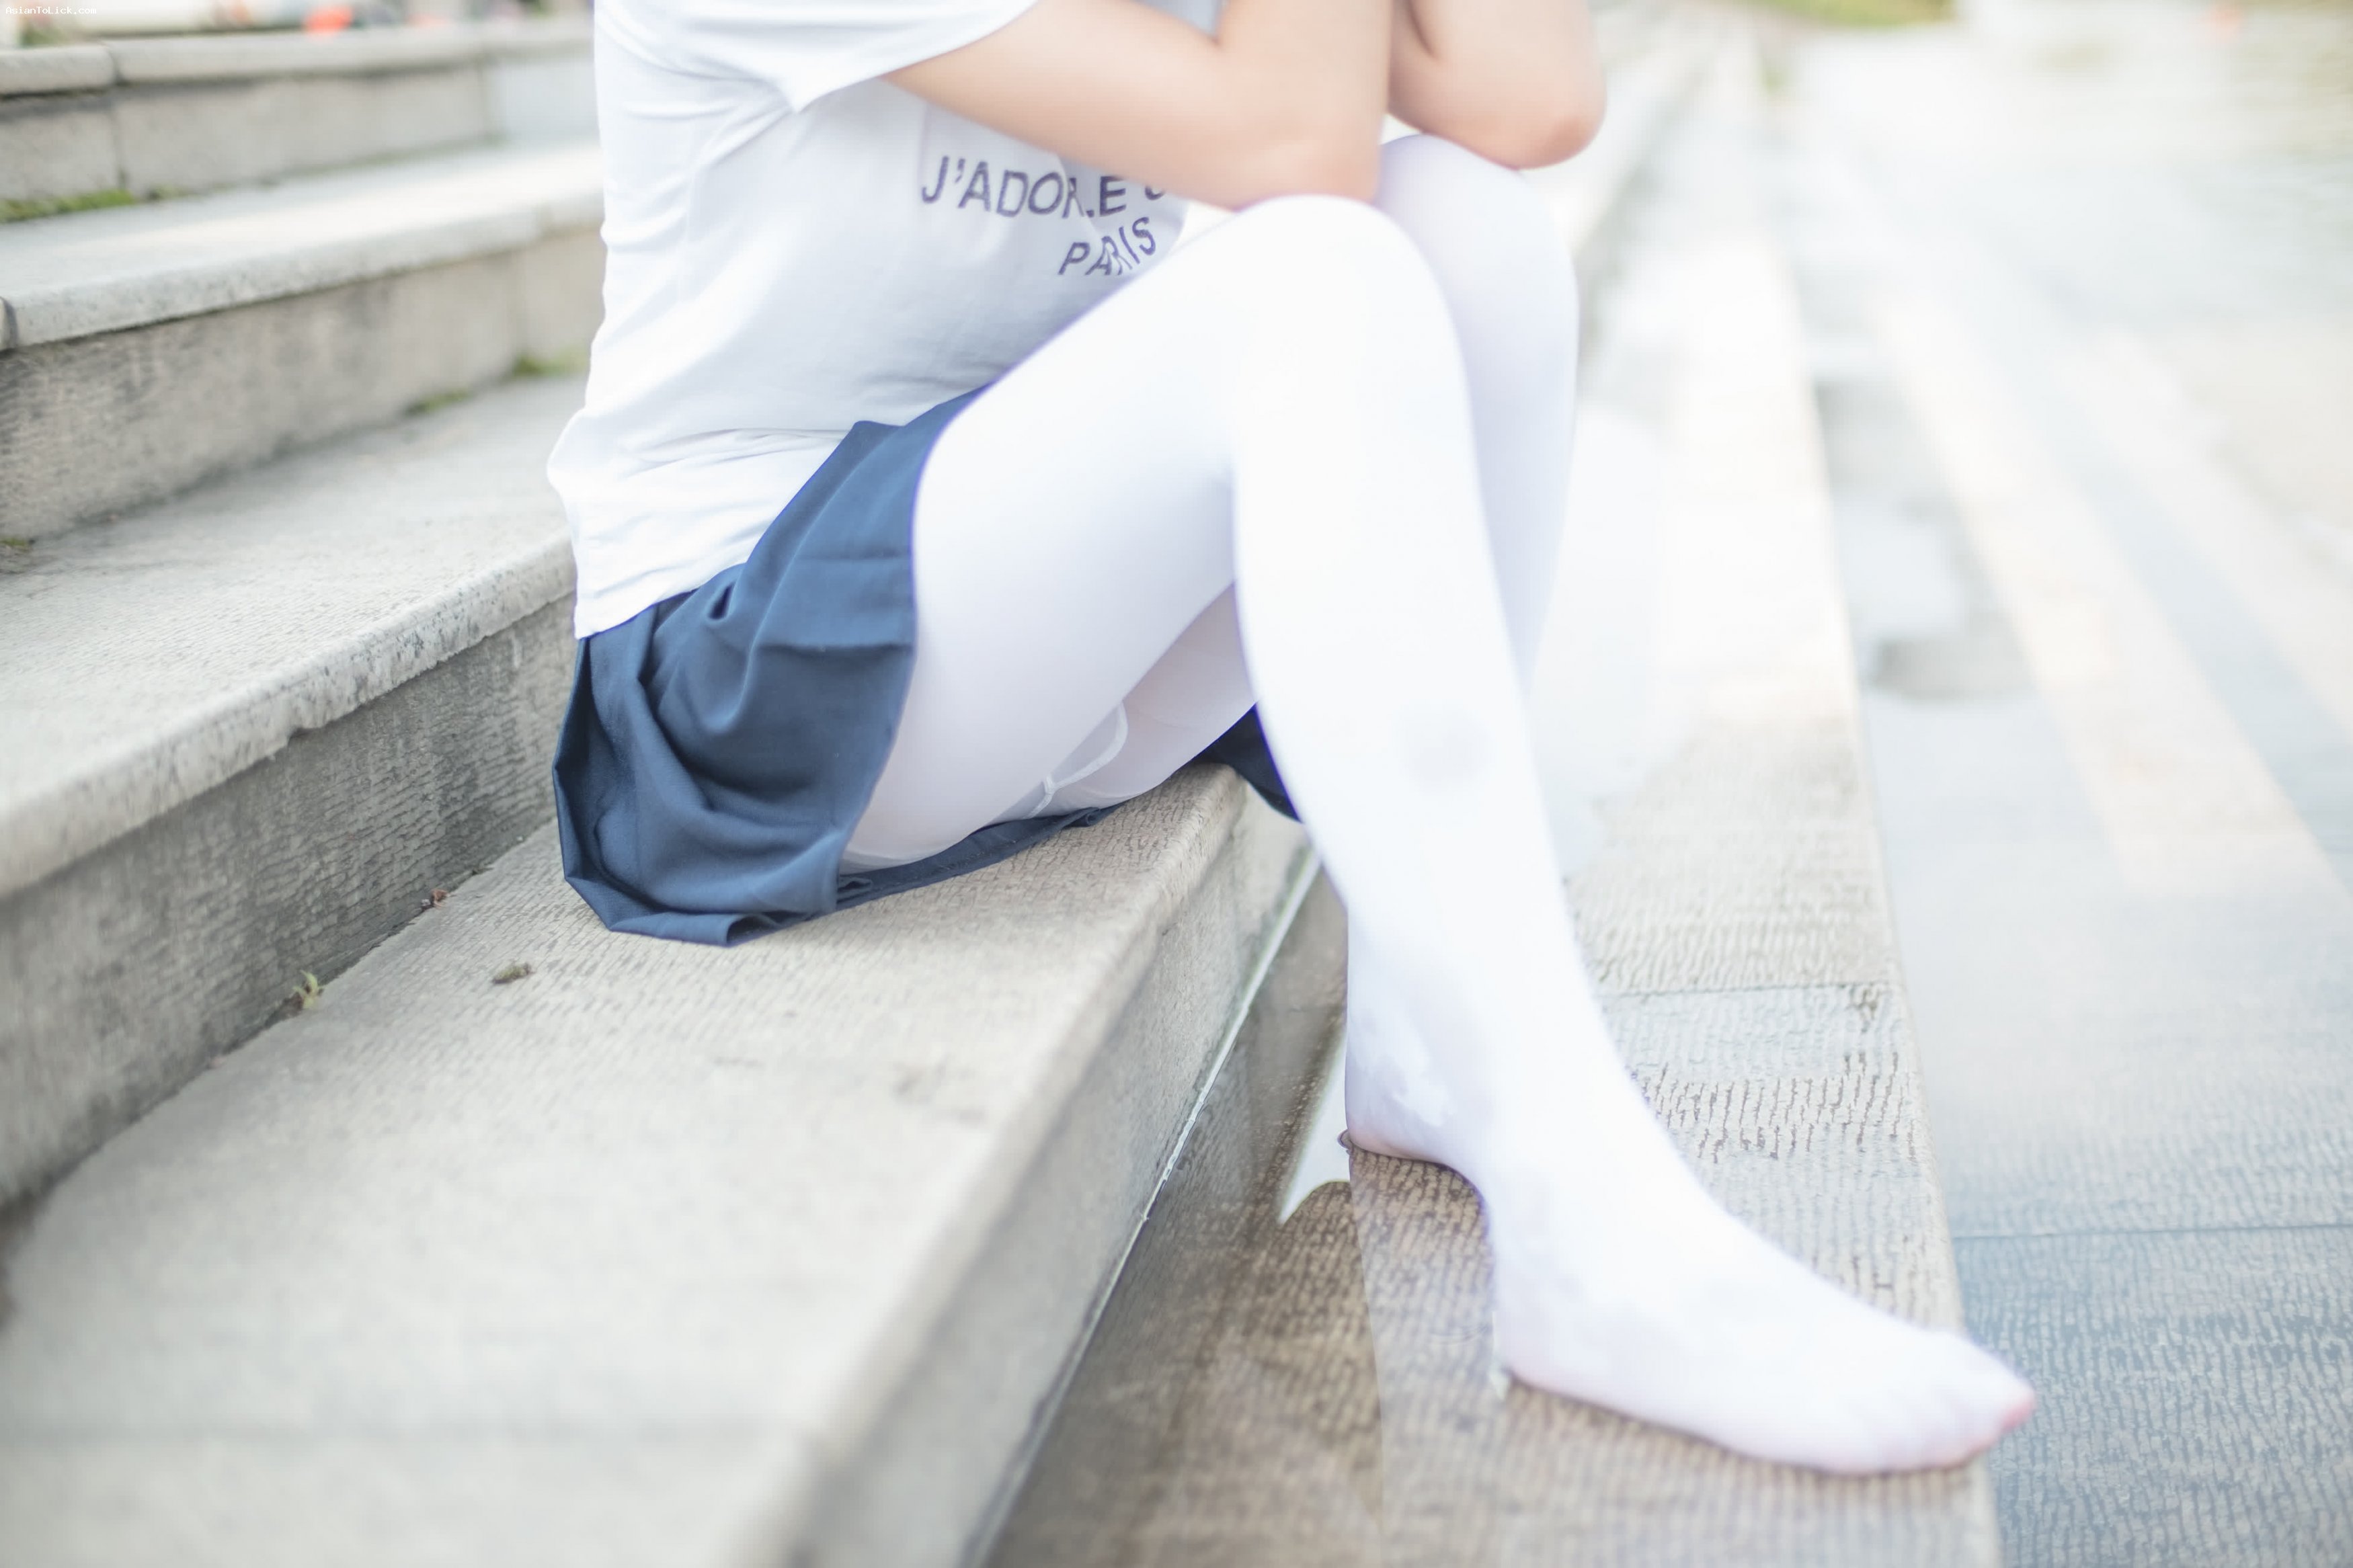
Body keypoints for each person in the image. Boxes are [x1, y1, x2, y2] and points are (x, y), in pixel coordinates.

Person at [545, 0, 2036, 1475]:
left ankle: (1428, 1037)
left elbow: (1531, 96)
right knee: (1321, 270)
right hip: (752, 677)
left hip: (1039, 624)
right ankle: (1591, 1226)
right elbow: (1294, 143)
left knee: (1468, 226)